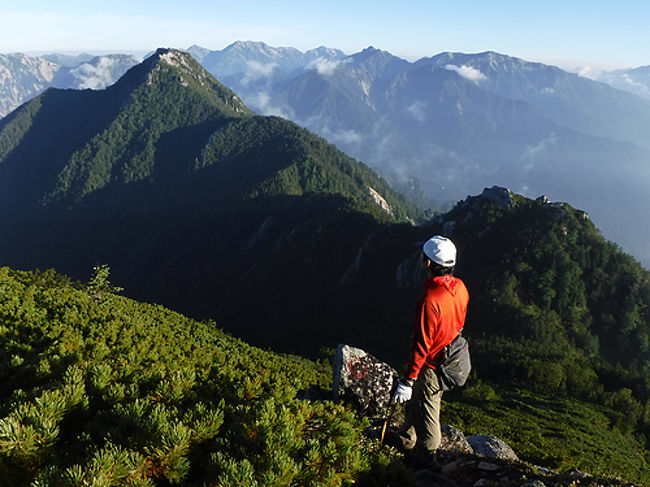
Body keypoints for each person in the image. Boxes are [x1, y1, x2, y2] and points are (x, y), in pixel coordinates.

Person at [391, 235, 469, 468]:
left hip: (433, 366)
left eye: (422, 256)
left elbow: (421, 346)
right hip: (451, 354)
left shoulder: (430, 300)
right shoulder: (461, 288)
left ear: (428, 263)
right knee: (418, 404)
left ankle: (428, 460)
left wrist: (408, 380)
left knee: (429, 412)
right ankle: (407, 439)